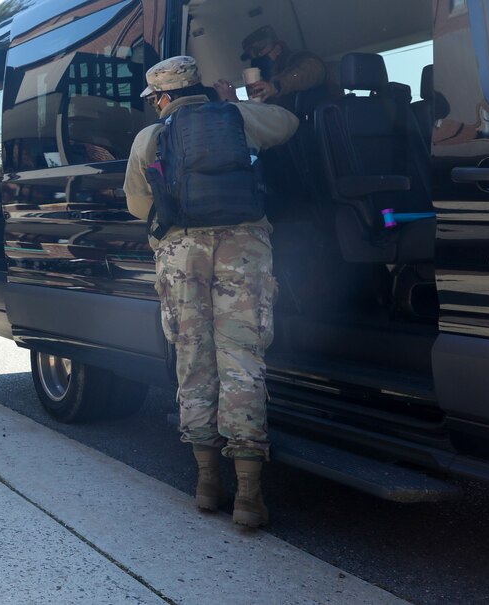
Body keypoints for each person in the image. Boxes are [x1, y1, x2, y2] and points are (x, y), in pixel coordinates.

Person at [124, 56, 298, 528]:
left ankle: (206, 484)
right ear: (197, 87)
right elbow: (289, 123)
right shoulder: (238, 117)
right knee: (242, 361)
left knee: (193, 359)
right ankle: (248, 496)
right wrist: (234, 101)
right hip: (244, 245)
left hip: (181, 253)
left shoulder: (150, 137)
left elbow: (139, 203)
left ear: (161, 97)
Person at [219, 25, 335, 112]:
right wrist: (235, 101)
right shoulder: (265, 80)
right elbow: (263, 115)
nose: (256, 58)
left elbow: (312, 70)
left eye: (259, 51)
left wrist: (276, 86)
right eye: (251, 56)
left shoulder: (297, 59)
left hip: (321, 126)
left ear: (278, 48)